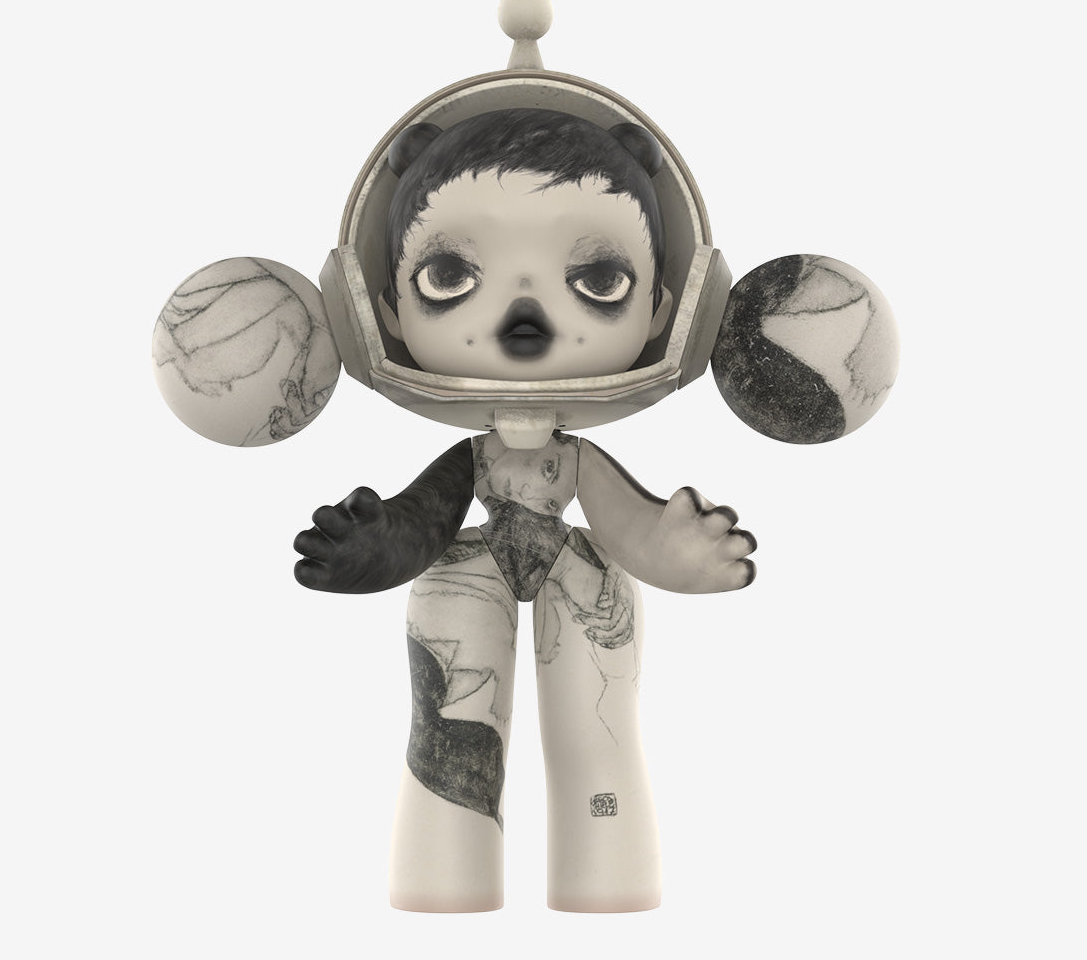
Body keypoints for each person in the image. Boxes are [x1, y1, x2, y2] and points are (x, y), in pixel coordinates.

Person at [294, 109, 756, 912]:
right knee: (448, 720)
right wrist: (371, 546)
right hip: (468, 566)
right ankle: (446, 875)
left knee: (595, 732)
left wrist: (681, 553)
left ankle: (605, 875)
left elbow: (627, 524)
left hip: (575, 570)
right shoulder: (471, 463)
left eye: (599, 280)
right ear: (387, 309)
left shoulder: (574, 461)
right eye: (449, 275)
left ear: (661, 311)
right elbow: (425, 519)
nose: (525, 320)